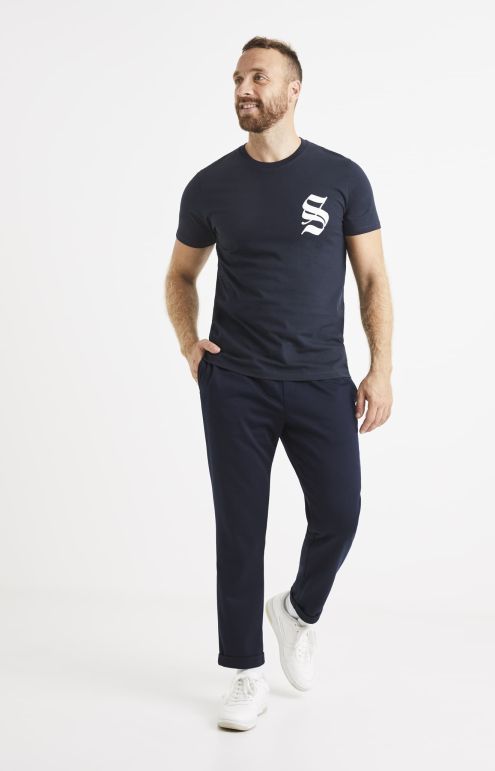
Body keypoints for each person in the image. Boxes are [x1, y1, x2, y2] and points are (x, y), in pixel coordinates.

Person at [165, 35, 393, 731]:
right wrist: (189, 342)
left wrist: (381, 367)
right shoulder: (209, 186)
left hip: (322, 378)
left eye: (258, 78)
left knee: (340, 512)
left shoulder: (342, 177)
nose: (243, 89)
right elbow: (180, 274)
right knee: (240, 528)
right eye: (238, 78)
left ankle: (297, 610)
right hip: (235, 381)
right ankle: (244, 672)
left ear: (293, 91)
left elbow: (373, 278)